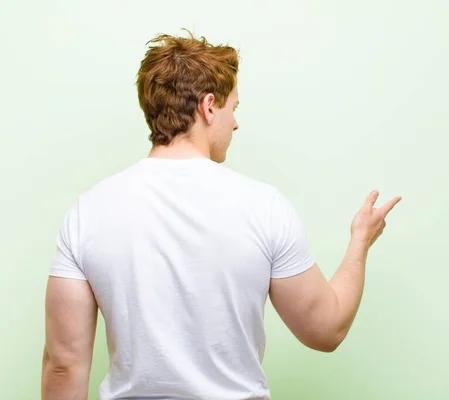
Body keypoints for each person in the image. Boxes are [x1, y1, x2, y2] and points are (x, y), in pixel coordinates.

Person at [41, 30, 402, 400]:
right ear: (209, 106)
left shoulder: (88, 211)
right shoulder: (264, 206)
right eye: (234, 108)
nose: (235, 123)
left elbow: (63, 365)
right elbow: (325, 330)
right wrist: (360, 242)